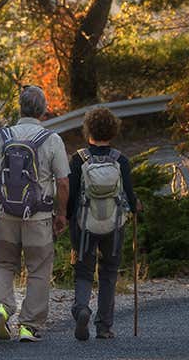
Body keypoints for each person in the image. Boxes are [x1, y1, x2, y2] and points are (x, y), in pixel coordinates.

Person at [0, 85, 69, 342]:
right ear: (43, 110)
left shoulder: (3, 136)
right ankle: (29, 326)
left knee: (3, 264)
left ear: (20, 108)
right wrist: (61, 214)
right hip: (39, 217)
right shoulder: (52, 139)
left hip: (7, 215)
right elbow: (63, 183)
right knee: (38, 270)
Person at [67, 106, 142, 341]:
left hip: (84, 224)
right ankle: (104, 327)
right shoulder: (121, 160)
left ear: (88, 129)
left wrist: (67, 218)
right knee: (109, 272)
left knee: (83, 271)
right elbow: (129, 197)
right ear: (113, 131)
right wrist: (137, 207)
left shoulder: (78, 160)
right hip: (114, 225)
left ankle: (81, 309)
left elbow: (70, 196)